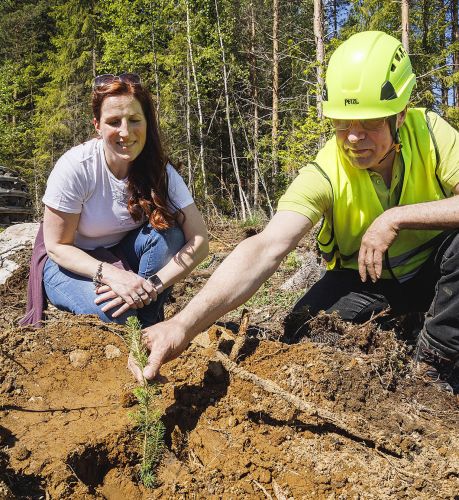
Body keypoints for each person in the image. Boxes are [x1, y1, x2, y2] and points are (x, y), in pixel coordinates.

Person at [134, 32, 459, 393]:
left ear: (400, 113)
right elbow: (266, 247)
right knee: (302, 334)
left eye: (369, 123)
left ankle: (435, 365)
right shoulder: (326, 171)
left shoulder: (430, 133)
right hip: (368, 281)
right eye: (342, 123)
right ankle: (410, 323)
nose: (354, 137)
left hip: (438, 274)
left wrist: (395, 217)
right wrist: (182, 324)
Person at [24, 73, 208, 327]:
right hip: (68, 265)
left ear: (147, 123)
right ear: (97, 125)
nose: (125, 131)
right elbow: (57, 247)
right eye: (113, 121)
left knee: (170, 234)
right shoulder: (76, 167)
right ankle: (138, 324)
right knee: (118, 314)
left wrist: (152, 285)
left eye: (134, 120)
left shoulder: (160, 171)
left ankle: (145, 324)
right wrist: (111, 276)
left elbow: (199, 241)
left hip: (121, 254)